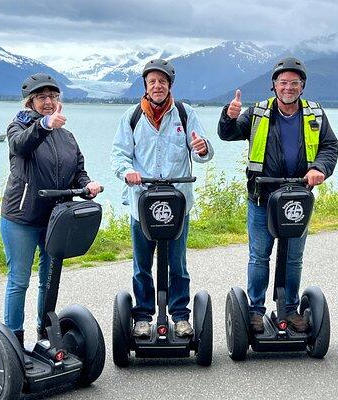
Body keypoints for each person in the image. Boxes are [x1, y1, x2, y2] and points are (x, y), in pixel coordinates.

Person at [217, 57, 338, 333]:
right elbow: (228, 134)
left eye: (294, 83)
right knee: (259, 256)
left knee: (293, 257)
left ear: (302, 86)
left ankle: (289, 309)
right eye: (283, 82)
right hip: (262, 196)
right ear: (274, 85)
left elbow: (329, 146)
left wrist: (320, 168)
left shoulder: (315, 114)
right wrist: (229, 116)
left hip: (298, 198)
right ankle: (256, 311)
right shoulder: (257, 113)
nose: (288, 87)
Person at [111, 58, 214, 338]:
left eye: (162, 82)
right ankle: (143, 315)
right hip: (142, 203)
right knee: (142, 264)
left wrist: (202, 149)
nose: (157, 86)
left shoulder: (185, 113)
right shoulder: (131, 117)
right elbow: (119, 154)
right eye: (152, 81)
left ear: (170, 85)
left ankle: (180, 315)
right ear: (145, 86)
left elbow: (200, 152)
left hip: (177, 204)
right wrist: (128, 171)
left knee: (178, 264)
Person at [0, 73, 101, 346]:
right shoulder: (18, 127)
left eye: (53, 96)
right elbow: (20, 146)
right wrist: (44, 125)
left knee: (48, 281)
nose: (48, 101)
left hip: (55, 219)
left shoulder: (66, 136)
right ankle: (12, 342)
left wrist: (87, 184)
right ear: (30, 101)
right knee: (19, 281)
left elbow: (77, 171)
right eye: (42, 97)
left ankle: (44, 336)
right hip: (21, 218)